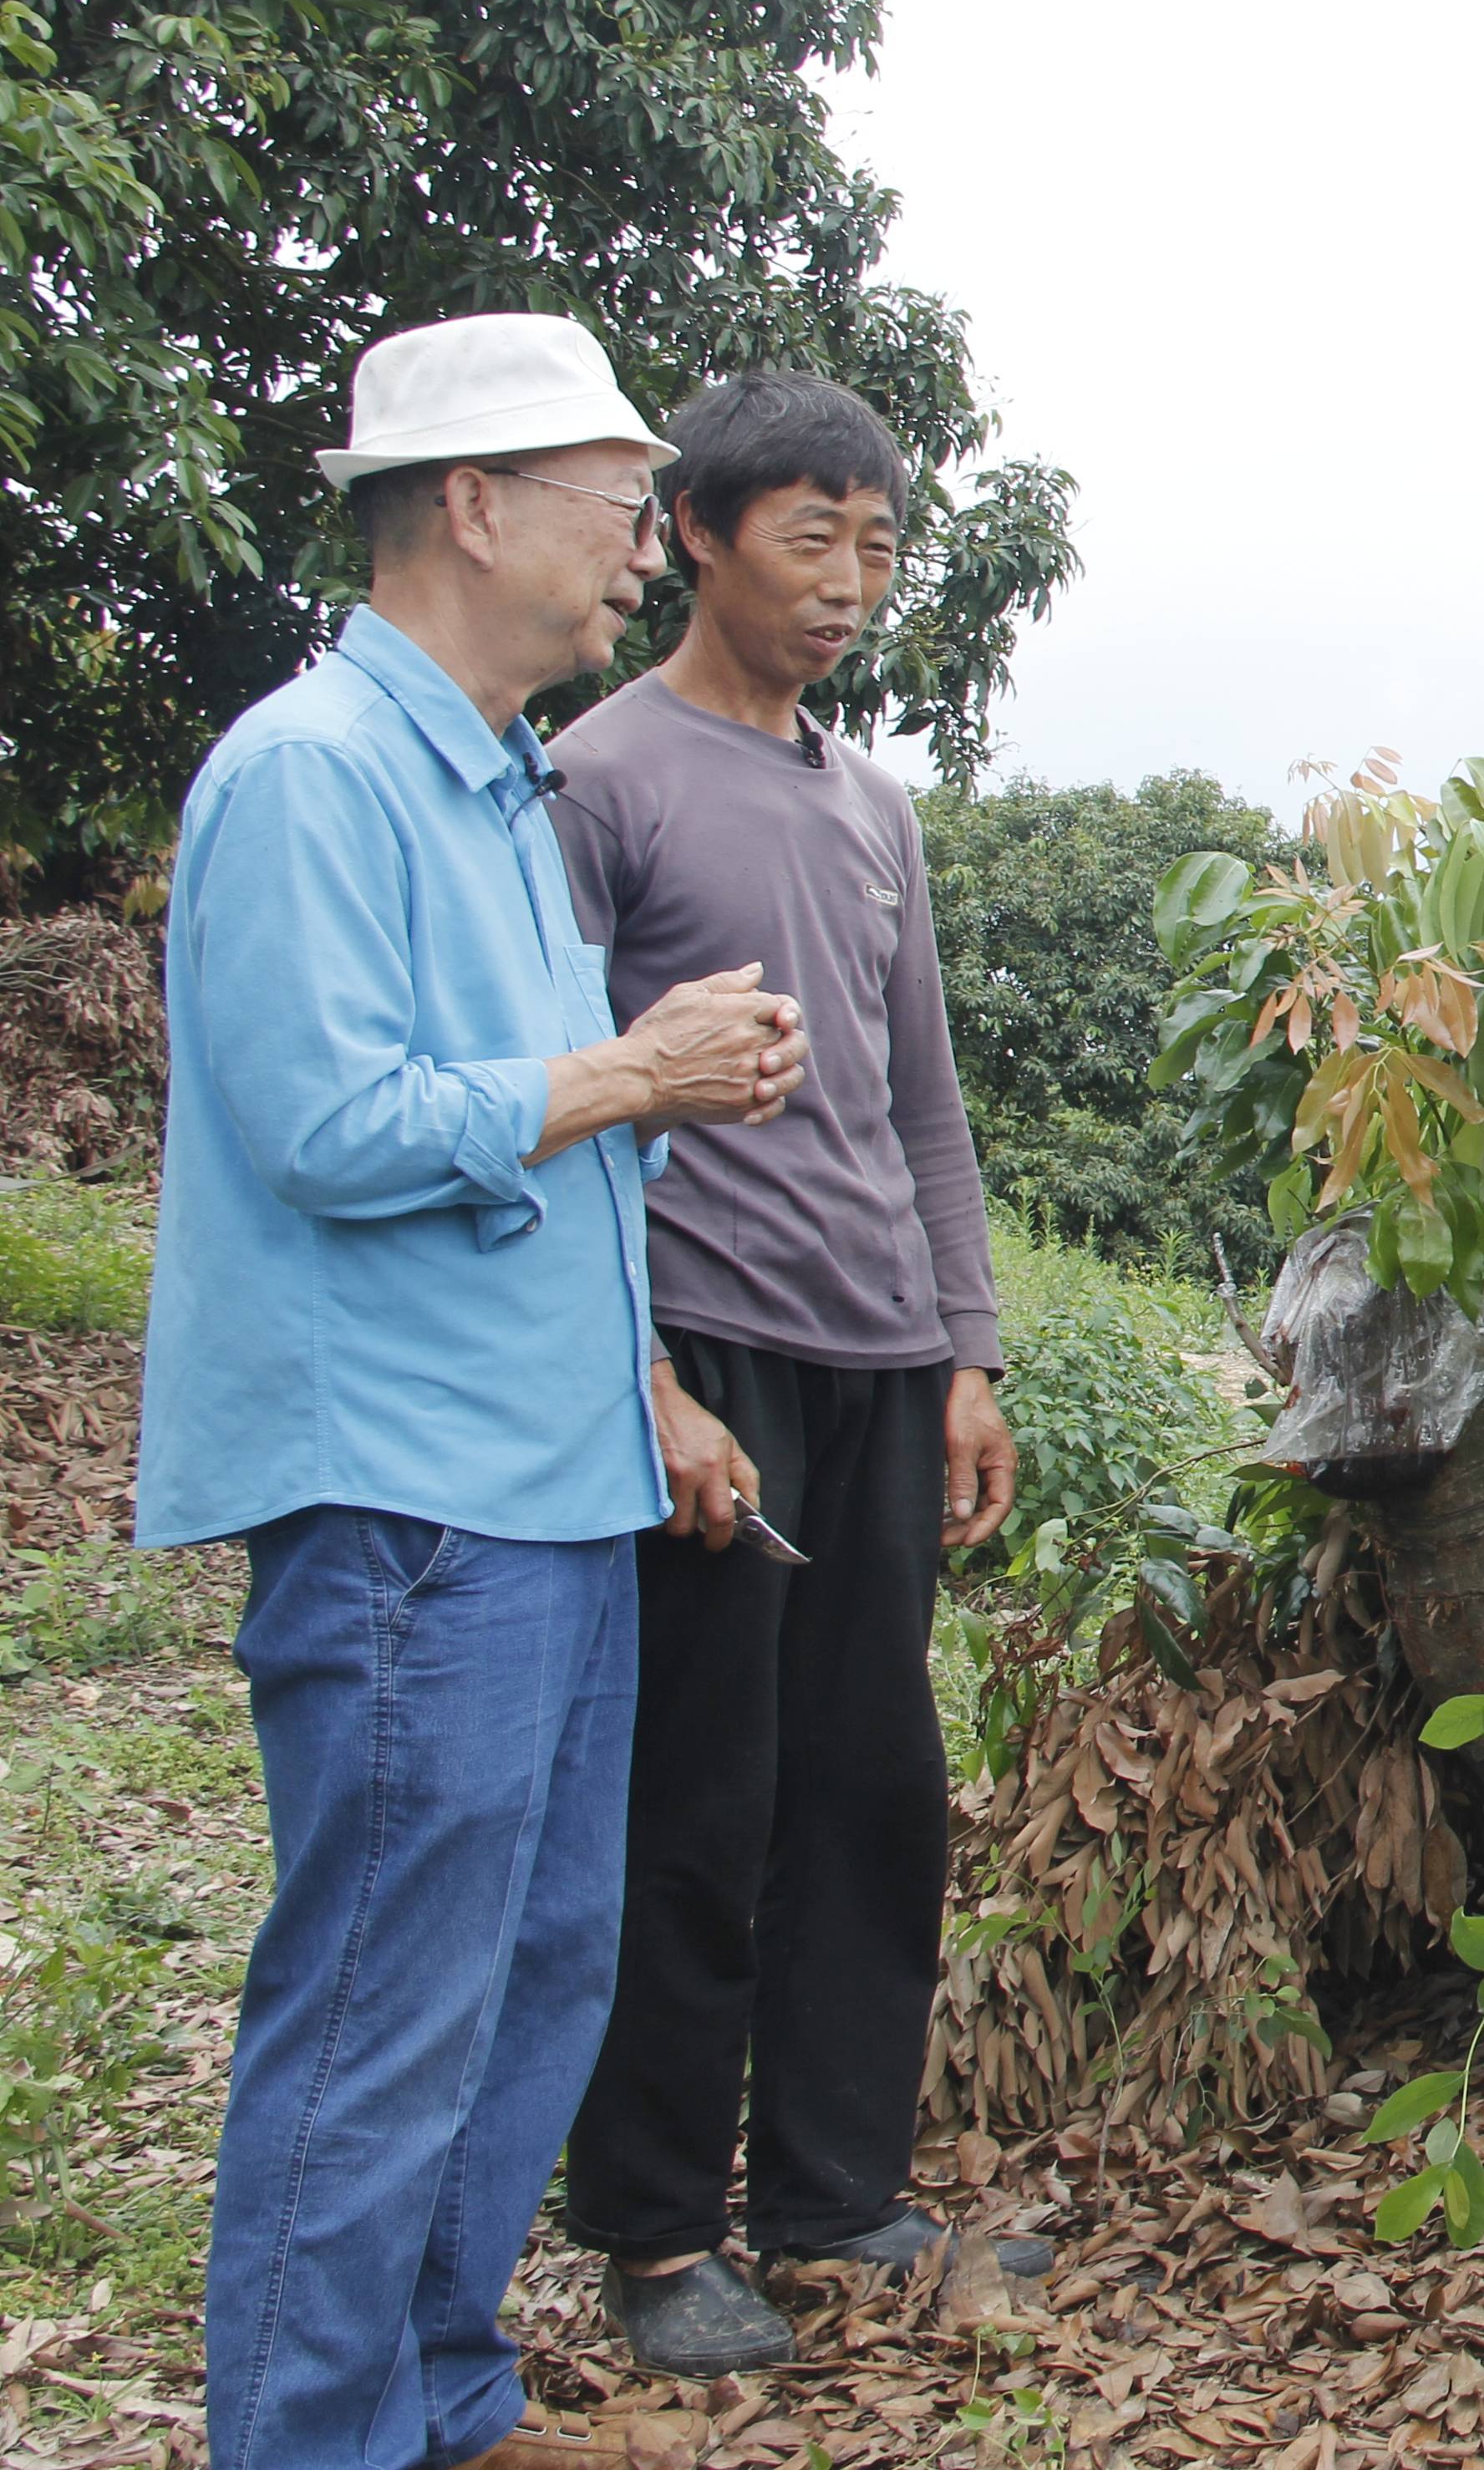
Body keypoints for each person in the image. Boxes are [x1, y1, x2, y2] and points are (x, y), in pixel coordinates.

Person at [141, 313, 807, 2470]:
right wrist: (630, 1071)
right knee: (381, 2003)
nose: (643, 540)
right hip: (409, 1497)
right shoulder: (309, 775)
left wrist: (648, 1364)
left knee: (533, 1974)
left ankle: (436, 2390)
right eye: (616, 495)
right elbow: (330, 1120)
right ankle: (314, 2433)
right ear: (467, 502)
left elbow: (529, 1146)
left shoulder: (505, 789)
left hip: (551, 1479)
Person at [546, 371, 1034, 2374]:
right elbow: (557, 1100)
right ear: (696, 533)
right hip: (709, 1349)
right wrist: (637, 1369)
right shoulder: (598, 778)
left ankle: (833, 2182)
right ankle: (658, 2230)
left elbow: (923, 1108)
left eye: (879, 545)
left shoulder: (869, 804)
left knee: (870, 1789)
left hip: (872, 1350)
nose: (849, 583)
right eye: (809, 538)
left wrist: (968, 1351)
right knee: (696, 1796)